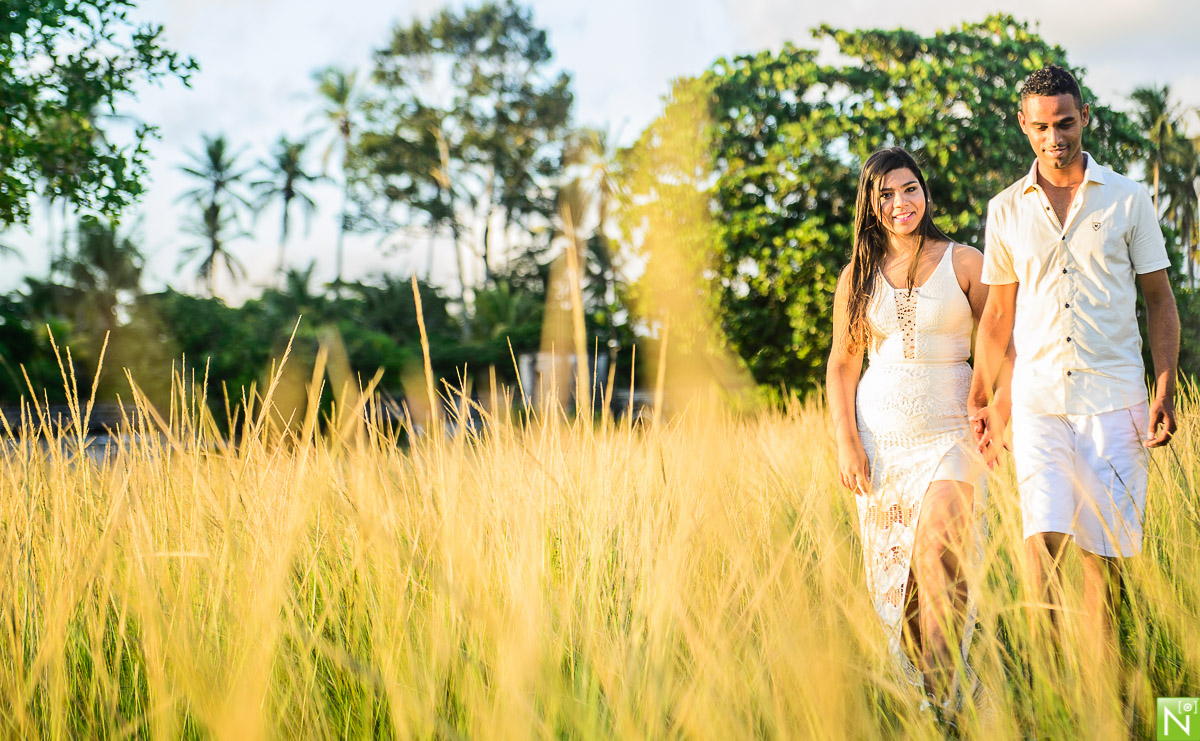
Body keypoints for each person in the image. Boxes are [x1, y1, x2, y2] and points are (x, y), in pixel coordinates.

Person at [969, 65, 1180, 661]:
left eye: (1065, 123)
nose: (1054, 138)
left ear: (1084, 117)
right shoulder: (1005, 210)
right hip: (1037, 405)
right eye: (1041, 127)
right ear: (1023, 127)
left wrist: (1163, 387)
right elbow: (996, 316)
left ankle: (1103, 703)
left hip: (1115, 403)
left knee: (1104, 567)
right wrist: (980, 397)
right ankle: (1049, 699)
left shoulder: (1129, 199)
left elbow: (1159, 301)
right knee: (1041, 553)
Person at [827, 147, 1003, 710]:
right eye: (887, 194)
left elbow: (1004, 342)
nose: (901, 202)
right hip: (880, 442)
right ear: (871, 205)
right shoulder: (856, 277)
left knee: (936, 557)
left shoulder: (967, 262)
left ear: (925, 192)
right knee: (902, 590)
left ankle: (949, 699)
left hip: (952, 432)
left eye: (910, 189)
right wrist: (847, 441)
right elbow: (842, 364)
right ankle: (935, 701)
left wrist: (995, 407)